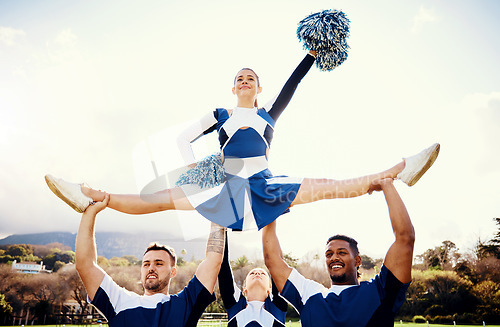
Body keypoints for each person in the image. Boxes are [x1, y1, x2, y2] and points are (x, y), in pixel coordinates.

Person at [45, 50, 440, 232]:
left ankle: (398, 172)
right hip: (218, 170)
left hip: (263, 177)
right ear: (232, 87)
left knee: (326, 187)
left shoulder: (268, 114)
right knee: (159, 198)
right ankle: (91, 195)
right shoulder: (219, 114)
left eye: (250, 77)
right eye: (239, 77)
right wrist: (194, 170)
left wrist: (312, 55)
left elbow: (293, 84)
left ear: (258, 87)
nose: (244, 80)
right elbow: (183, 138)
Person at [262, 178, 415, 327]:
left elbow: (405, 238)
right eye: (329, 254)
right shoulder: (309, 295)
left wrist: (387, 184)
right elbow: (272, 260)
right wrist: (270, 209)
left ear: (357, 261)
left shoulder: (379, 291)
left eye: (341, 252)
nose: (333, 257)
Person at [76, 194, 225, 327]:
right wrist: (90, 213)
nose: (151, 268)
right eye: (146, 264)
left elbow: (213, 261)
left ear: (173, 271)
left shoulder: (186, 303)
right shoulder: (118, 301)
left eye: (159, 263)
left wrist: (219, 212)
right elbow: (85, 265)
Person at [218, 235, 288, 327]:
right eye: (252, 273)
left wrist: (269, 224)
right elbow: (222, 263)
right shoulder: (235, 305)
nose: (257, 273)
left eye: (262, 273)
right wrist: (222, 225)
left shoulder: (277, 307)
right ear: (244, 287)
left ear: (270, 288)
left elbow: (277, 262)